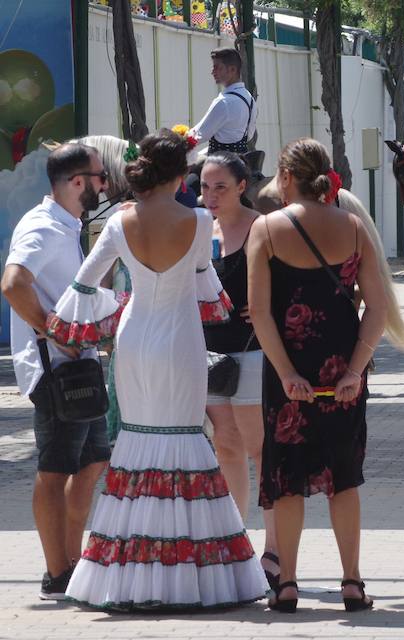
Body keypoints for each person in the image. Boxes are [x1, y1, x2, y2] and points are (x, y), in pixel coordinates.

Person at [47, 130, 268, 610]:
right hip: (181, 339)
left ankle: (128, 576)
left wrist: (117, 308)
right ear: (180, 172)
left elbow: (83, 286)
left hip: (134, 338)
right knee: (187, 438)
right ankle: (188, 575)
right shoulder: (197, 219)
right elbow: (208, 290)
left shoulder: (120, 221)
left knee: (136, 440)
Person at [247, 138, 387, 614]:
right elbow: (378, 308)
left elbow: (261, 314)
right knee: (343, 479)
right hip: (341, 369)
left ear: (286, 177)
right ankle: (351, 583)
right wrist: (356, 369)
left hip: (290, 372)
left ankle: (286, 583)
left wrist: (286, 373)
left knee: (286, 477)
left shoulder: (265, 229)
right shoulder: (353, 226)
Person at [0, 143, 111, 600]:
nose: (105, 184)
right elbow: (12, 282)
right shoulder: (44, 227)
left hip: (78, 367)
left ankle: (71, 561)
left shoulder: (66, 225)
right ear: (78, 183)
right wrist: (52, 329)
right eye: (100, 177)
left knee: (91, 461)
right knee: (56, 469)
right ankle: (56, 572)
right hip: (55, 373)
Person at [201, 152, 280, 591]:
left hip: (252, 352)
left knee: (259, 448)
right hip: (210, 353)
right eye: (204, 186)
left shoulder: (262, 226)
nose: (210, 196)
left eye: (220, 187)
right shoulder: (200, 228)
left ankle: (273, 549)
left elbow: (288, 279)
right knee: (225, 446)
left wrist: (269, 307)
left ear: (242, 186)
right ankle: (236, 543)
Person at [189, 48, 258, 154]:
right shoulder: (250, 100)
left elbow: (198, 135)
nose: (212, 72)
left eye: (217, 67)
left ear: (232, 70)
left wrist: (175, 139)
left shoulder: (224, 102)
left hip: (219, 164)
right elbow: (249, 135)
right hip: (240, 162)